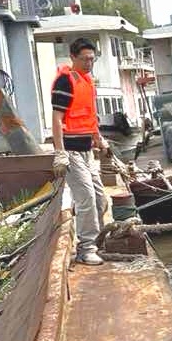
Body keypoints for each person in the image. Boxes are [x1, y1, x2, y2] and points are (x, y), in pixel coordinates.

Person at [51, 37, 109, 266]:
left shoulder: (87, 81)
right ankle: (86, 249)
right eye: (84, 59)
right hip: (71, 152)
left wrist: (99, 140)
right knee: (86, 197)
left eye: (92, 59)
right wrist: (60, 153)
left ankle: (99, 241)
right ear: (73, 57)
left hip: (87, 151)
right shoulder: (65, 82)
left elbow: (89, 117)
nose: (89, 63)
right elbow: (57, 119)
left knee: (100, 198)